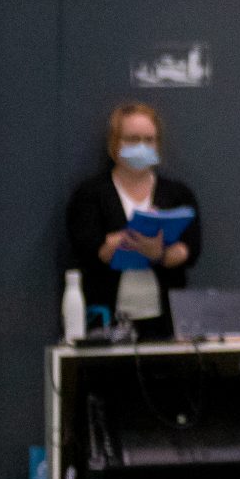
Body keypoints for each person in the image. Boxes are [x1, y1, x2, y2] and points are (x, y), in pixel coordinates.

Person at [64, 100, 201, 341]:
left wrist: (158, 253)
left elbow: (189, 250)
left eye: (149, 140)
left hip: (166, 321)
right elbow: (88, 249)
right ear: (114, 144)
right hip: (107, 318)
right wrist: (120, 241)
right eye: (132, 139)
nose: (142, 146)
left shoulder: (178, 194)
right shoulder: (90, 194)